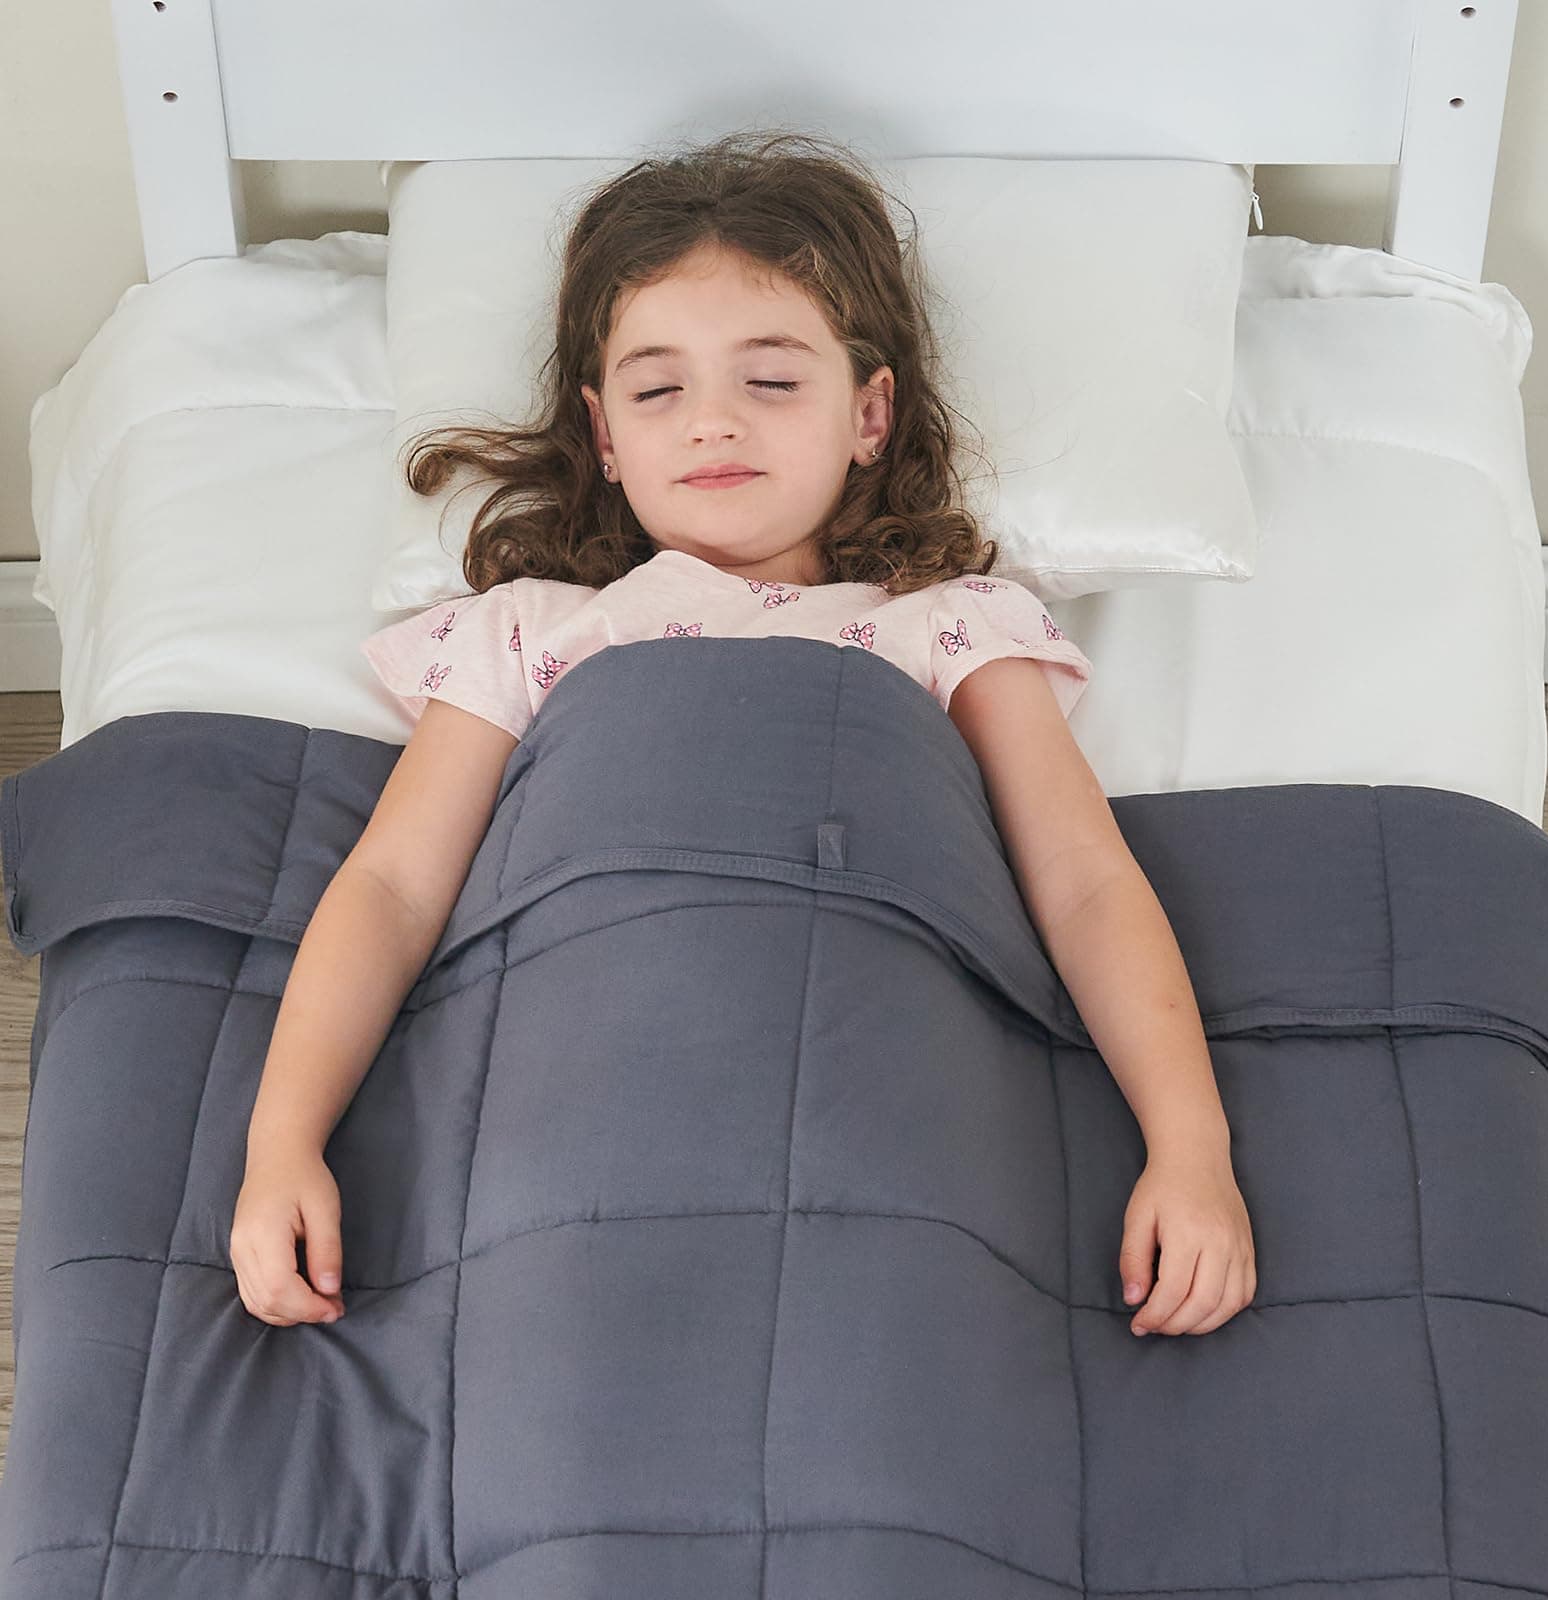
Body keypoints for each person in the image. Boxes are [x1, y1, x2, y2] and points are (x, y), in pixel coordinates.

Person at [230, 128, 1255, 1343]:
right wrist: (281, 1142)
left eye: (769, 382)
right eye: (658, 390)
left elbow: (1083, 885)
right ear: (604, 436)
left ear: (869, 412)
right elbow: (394, 889)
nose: (712, 423)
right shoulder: (531, 631)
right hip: (587, 1093)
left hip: (877, 1093)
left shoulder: (948, 627)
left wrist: (1190, 1148)